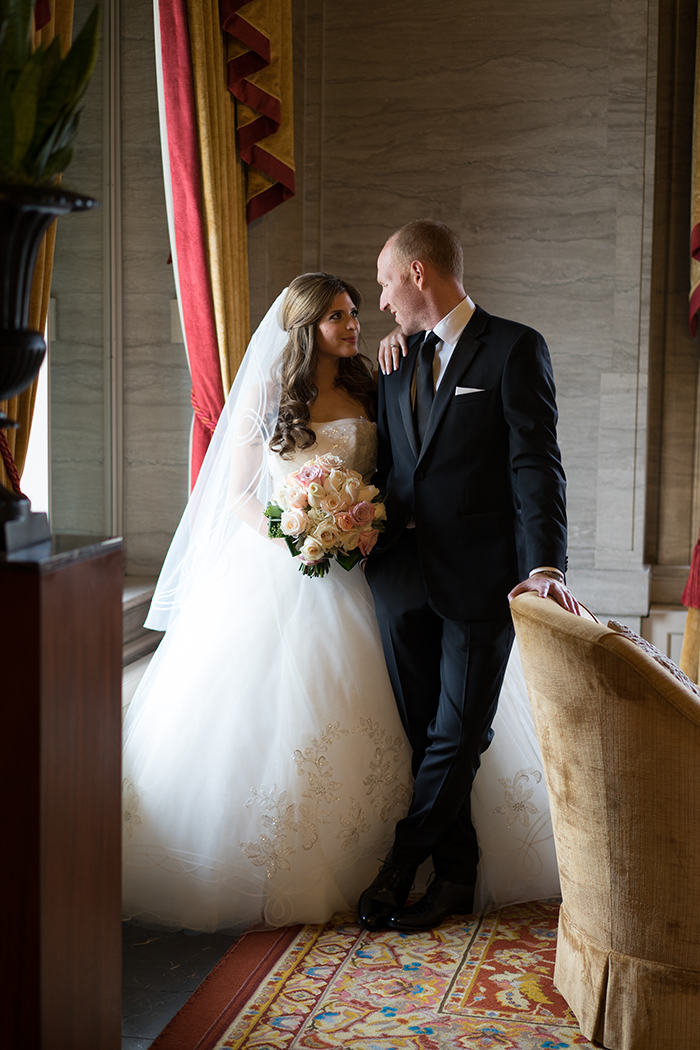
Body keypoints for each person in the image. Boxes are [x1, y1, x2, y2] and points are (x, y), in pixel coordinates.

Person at [121, 269, 561, 937]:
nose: (355, 323)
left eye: (356, 310)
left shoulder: (371, 381)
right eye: (337, 316)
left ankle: (430, 860)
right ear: (305, 327)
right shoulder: (269, 396)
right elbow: (239, 493)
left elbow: (400, 469)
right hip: (286, 566)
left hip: (368, 565)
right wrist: (294, 529)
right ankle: (376, 862)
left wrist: (349, 525)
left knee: (429, 719)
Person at [358, 219, 579, 934]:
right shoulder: (394, 359)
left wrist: (544, 565)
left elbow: (535, 465)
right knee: (426, 732)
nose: (383, 302)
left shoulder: (514, 347)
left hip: (484, 577)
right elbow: (396, 465)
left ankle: (402, 861)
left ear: (419, 274)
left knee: (460, 730)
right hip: (399, 578)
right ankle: (456, 872)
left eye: (388, 282)